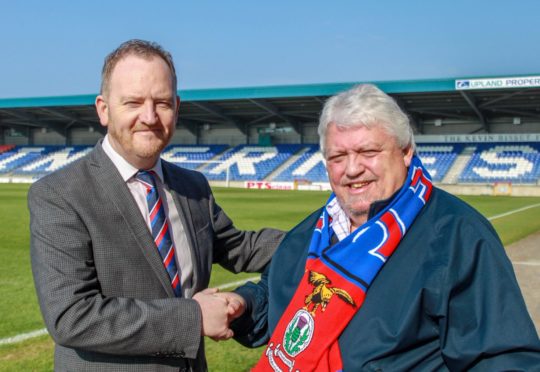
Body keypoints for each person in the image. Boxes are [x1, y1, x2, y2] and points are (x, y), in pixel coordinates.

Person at [228, 84, 540, 371]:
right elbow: (277, 299)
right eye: (338, 156)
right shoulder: (308, 233)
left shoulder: (458, 235)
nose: (352, 169)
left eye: (368, 152)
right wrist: (243, 304)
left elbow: (503, 359)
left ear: (406, 152)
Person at [28, 39, 283, 371]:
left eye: (161, 102)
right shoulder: (59, 195)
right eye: (133, 102)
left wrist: (328, 233)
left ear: (176, 108)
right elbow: (72, 316)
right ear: (103, 109)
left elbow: (240, 247)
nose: (149, 117)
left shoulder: (193, 187)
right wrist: (194, 318)